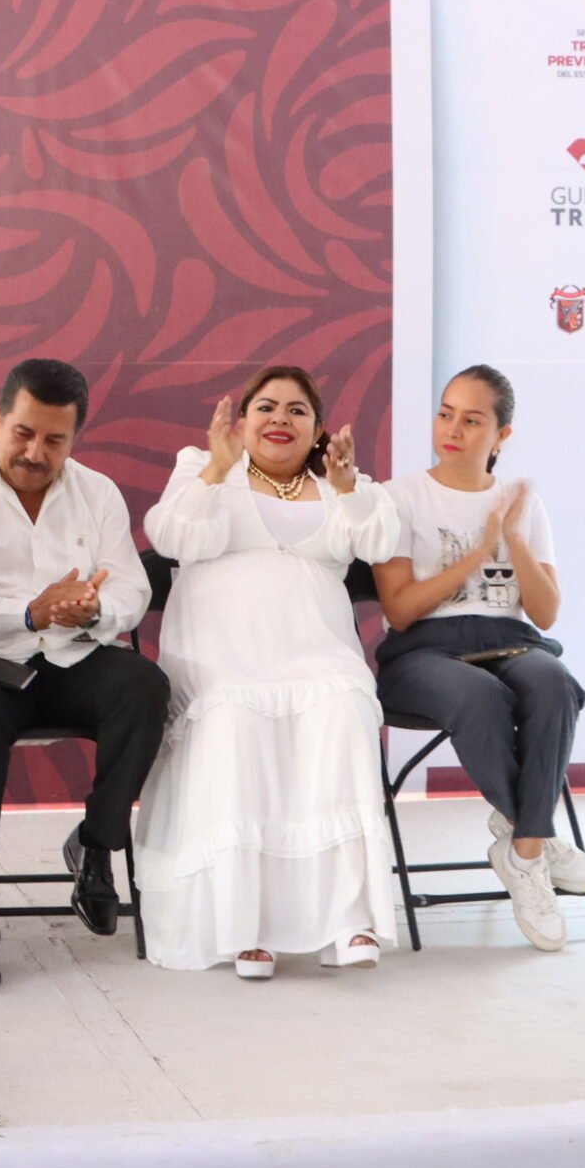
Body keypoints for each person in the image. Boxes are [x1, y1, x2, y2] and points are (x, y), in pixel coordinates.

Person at [0, 359, 168, 995]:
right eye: (23, 433)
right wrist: (29, 612)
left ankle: (96, 845)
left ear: (75, 437)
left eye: (55, 440)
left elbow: (131, 588)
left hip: (71, 657)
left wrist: (92, 609)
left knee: (145, 686)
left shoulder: (97, 493)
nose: (35, 452)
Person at [136, 365, 401, 978]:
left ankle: (348, 919)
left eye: (297, 410)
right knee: (235, 716)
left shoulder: (342, 482)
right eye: (266, 407)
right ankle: (244, 927)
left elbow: (380, 542)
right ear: (242, 419)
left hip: (317, 648)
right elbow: (171, 536)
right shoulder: (202, 467)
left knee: (345, 705)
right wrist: (215, 468)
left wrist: (350, 488)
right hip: (222, 652)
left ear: (317, 429)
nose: (280, 418)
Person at [372, 365, 585, 952]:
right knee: (481, 695)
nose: (452, 430)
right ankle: (535, 834)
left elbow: (545, 614)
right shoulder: (399, 498)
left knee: (553, 681)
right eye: (445, 414)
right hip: (423, 652)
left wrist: (513, 538)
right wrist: (473, 558)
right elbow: (400, 611)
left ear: (502, 434)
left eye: (472, 420)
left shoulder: (523, 503)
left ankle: (522, 847)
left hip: (510, 641)